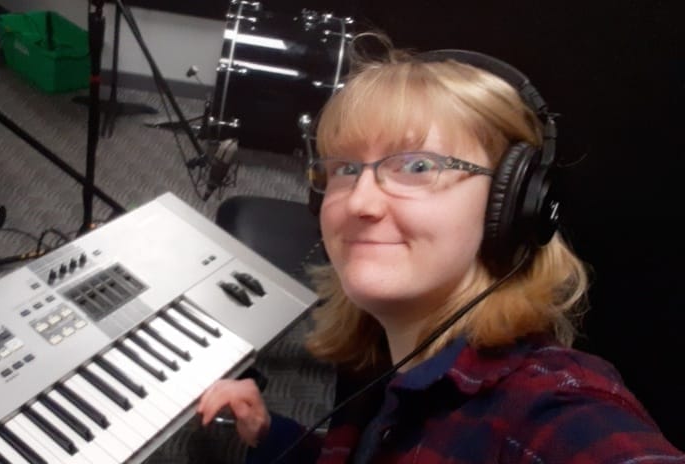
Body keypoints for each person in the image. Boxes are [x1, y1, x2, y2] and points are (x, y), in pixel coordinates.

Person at [196, 35, 684, 463]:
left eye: (417, 167)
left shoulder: (550, 409)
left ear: (512, 204)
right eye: (344, 168)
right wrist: (270, 434)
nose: (359, 202)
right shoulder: (389, 363)